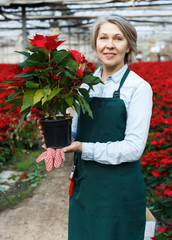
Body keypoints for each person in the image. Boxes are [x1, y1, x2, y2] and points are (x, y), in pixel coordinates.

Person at [40, 15, 153, 240]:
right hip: (86, 185)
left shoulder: (138, 88)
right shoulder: (85, 84)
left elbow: (133, 148)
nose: (109, 45)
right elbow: (77, 130)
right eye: (103, 38)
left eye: (118, 38)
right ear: (95, 44)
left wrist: (82, 148)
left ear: (128, 45)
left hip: (119, 191)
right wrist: (59, 140)